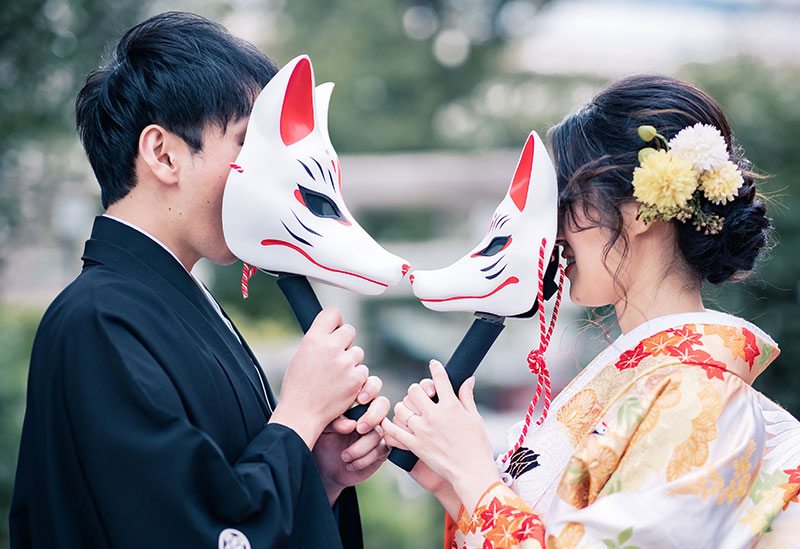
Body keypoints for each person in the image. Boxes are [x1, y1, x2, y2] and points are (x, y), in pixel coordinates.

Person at [10, 12, 390, 549]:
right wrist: (300, 415)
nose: (266, 176)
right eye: (245, 145)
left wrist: (318, 474)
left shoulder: (170, 302)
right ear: (163, 153)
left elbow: (224, 496)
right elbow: (192, 529)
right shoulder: (96, 320)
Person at [382, 75, 800, 548]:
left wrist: (474, 472)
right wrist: (454, 485)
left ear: (642, 210)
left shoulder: (700, 391)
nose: (554, 230)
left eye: (566, 200)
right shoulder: (662, 378)